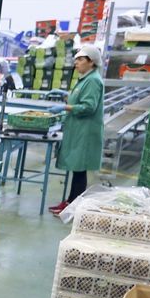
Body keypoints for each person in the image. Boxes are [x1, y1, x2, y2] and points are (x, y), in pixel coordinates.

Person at [48, 45, 106, 214]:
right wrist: (65, 95)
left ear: (92, 62)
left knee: (80, 170)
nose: (76, 63)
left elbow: (88, 107)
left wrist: (64, 107)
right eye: (76, 59)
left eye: (80, 59)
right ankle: (70, 203)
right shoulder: (86, 79)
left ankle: (73, 207)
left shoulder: (93, 80)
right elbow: (80, 97)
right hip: (78, 130)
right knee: (77, 169)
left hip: (86, 132)